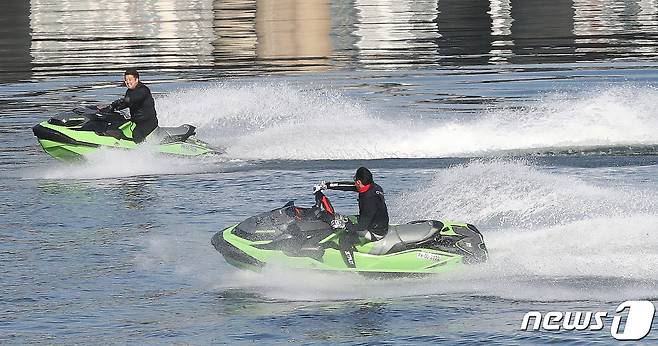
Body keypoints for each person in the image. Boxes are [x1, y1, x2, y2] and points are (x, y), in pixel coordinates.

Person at [315, 166, 389, 242]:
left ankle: (347, 253)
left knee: (344, 238)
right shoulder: (373, 187)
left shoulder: (369, 201)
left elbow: (362, 226)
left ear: (359, 182)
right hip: (377, 223)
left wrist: (344, 225)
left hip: (375, 233)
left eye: (355, 179)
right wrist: (327, 185)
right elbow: (348, 186)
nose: (354, 182)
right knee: (342, 218)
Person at [108, 69, 158, 143]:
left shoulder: (143, 90)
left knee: (137, 133)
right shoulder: (129, 91)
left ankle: (143, 152)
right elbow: (126, 103)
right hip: (137, 121)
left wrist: (121, 101)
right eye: (126, 80)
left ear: (136, 79)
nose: (128, 82)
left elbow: (134, 98)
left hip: (148, 122)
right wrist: (112, 108)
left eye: (130, 79)